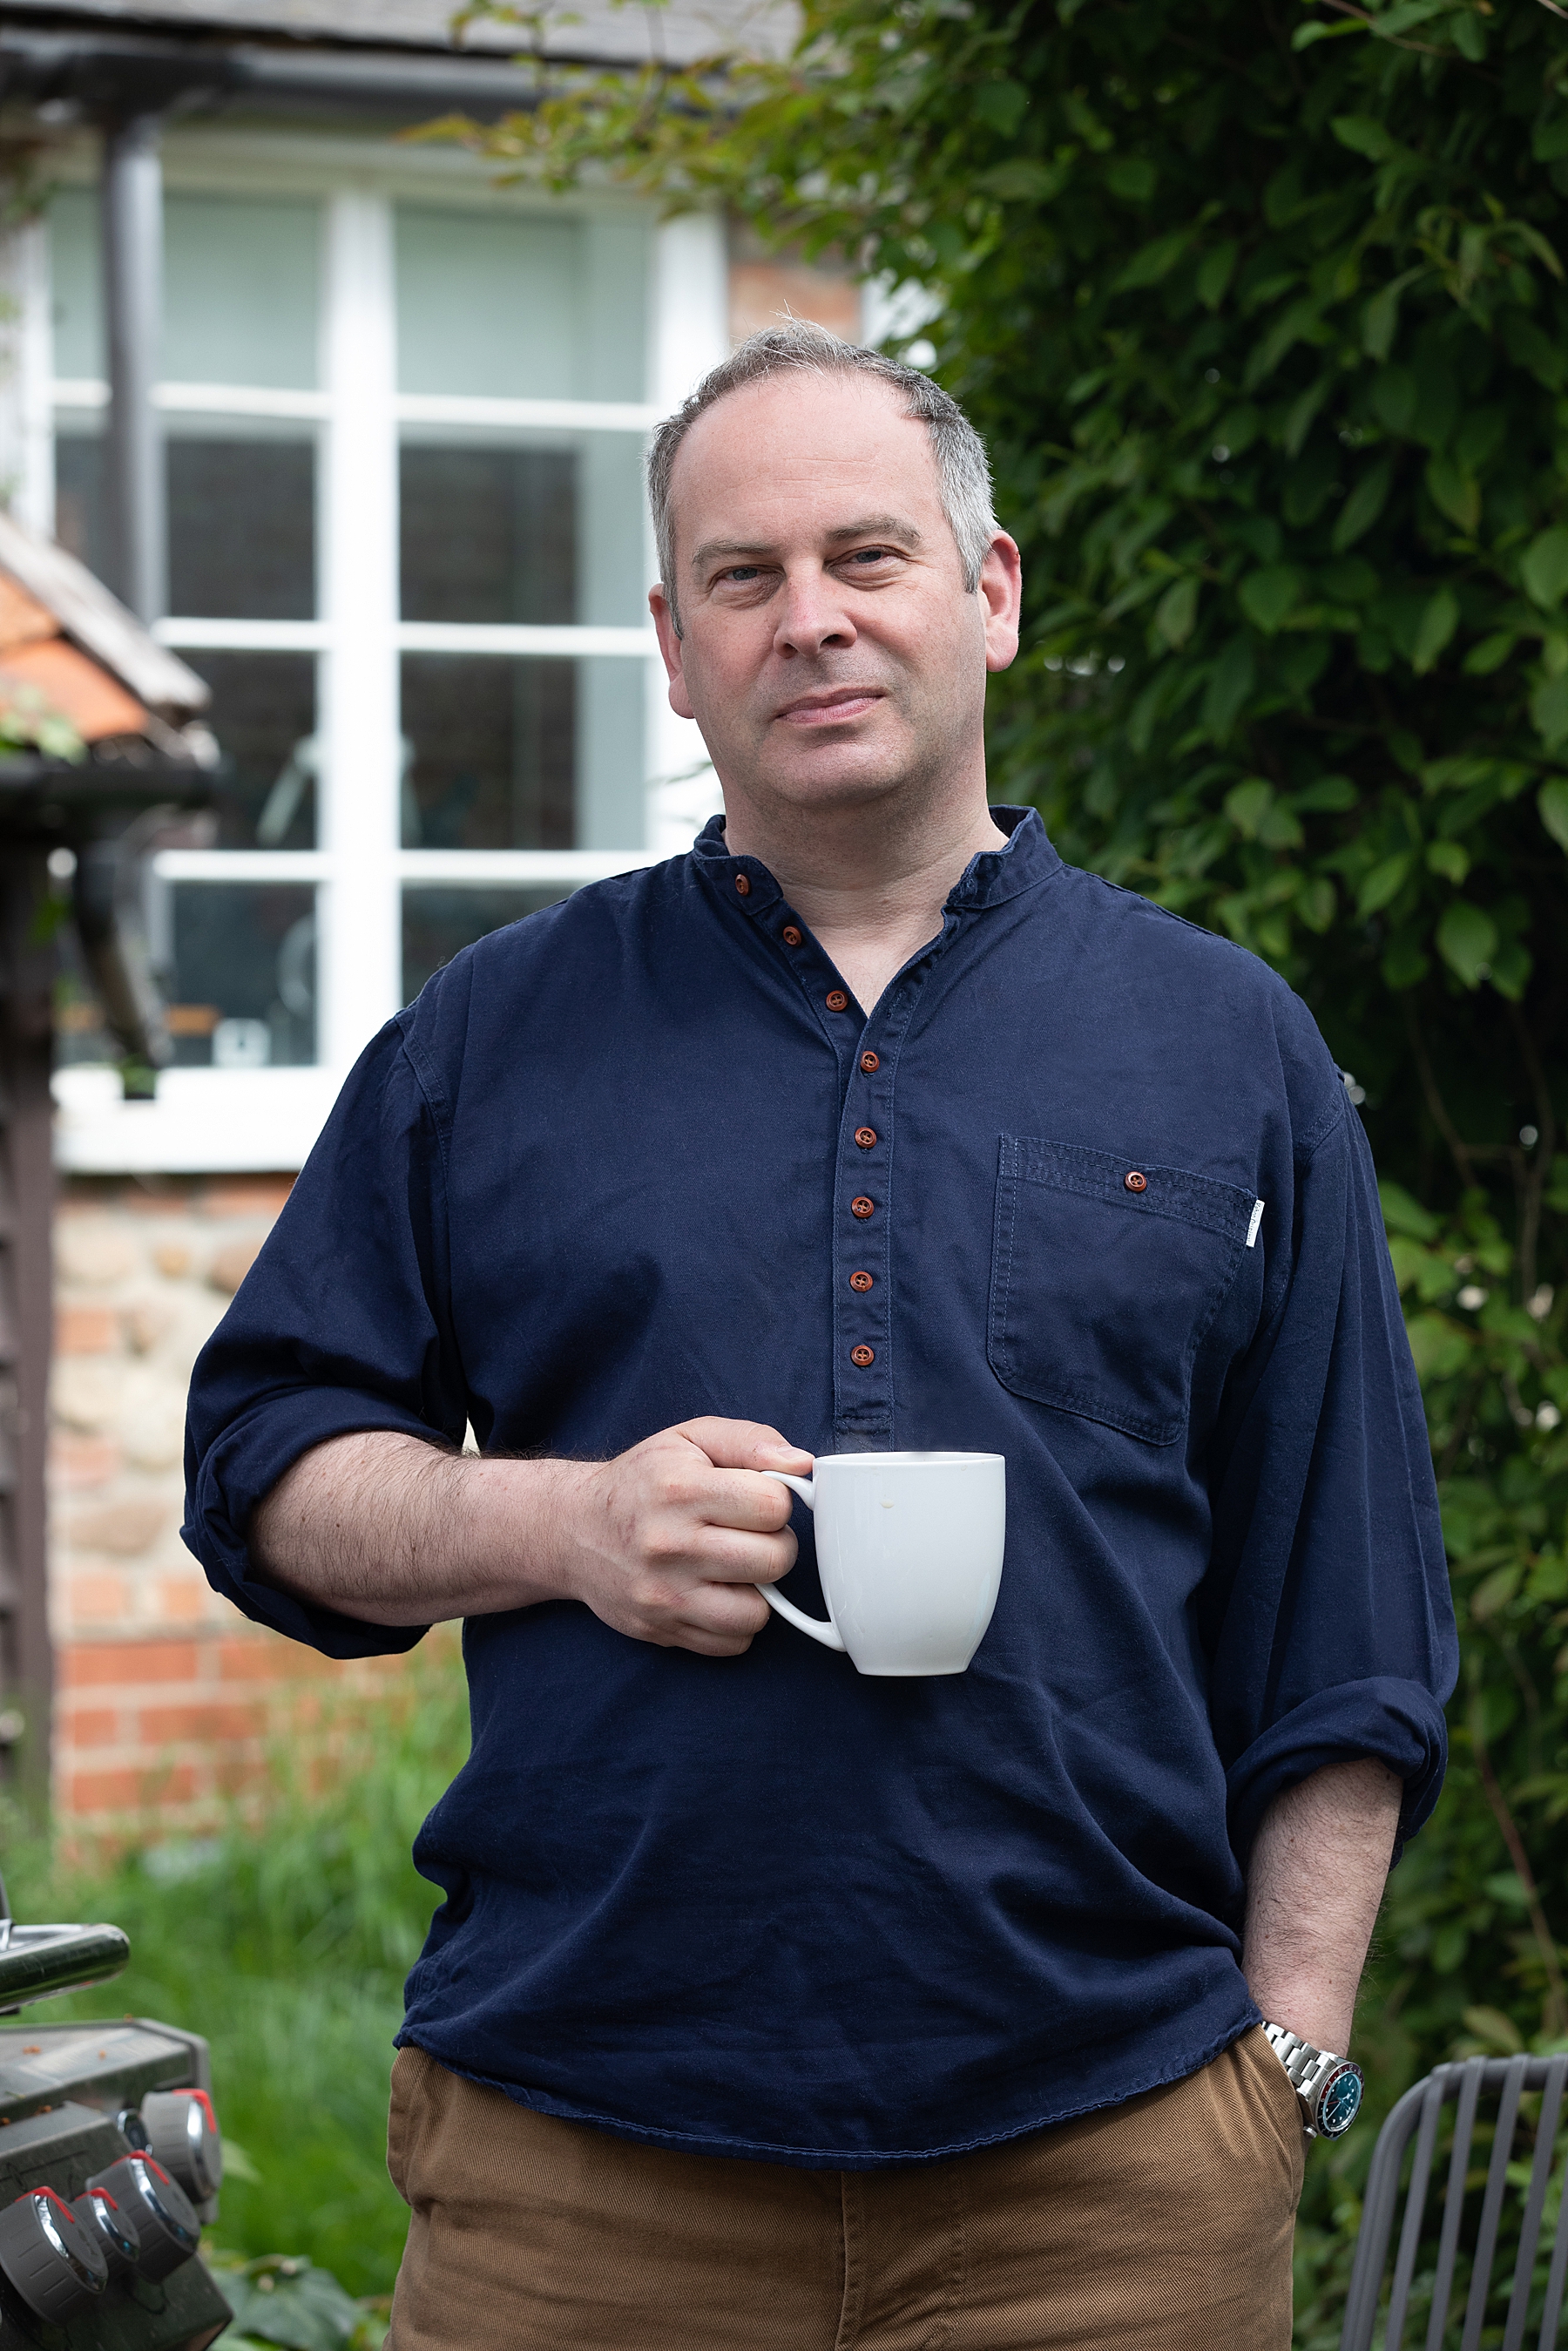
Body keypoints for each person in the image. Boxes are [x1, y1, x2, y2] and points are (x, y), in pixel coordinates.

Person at [183, 322, 1456, 2350]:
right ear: (674, 649)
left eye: (867, 554)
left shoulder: (1227, 1046)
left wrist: (1279, 2066)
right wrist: (570, 1524)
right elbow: (265, 1468)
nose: (812, 621)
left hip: (1112, 2187)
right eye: (742, 577)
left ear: (990, 590)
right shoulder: (497, 1035)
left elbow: (1350, 1618)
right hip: (580, 2178)